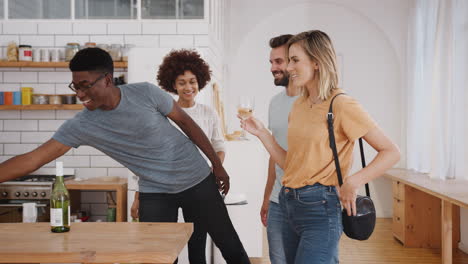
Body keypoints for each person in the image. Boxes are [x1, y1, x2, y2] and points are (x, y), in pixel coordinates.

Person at [0, 48, 250, 264]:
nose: (80, 94)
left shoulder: (145, 94)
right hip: (155, 191)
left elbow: (187, 124)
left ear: (107, 80)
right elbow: (34, 158)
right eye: (76, 86)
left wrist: (217, 165)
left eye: (86, 85)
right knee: (155, 257)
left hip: (196, 180)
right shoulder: (82, 125)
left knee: (231, 248)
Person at [240, 30, 400, 264]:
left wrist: (353, 182)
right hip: (288, 203)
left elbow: (391, 151)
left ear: (316, 62)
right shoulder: (300, 106)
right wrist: (262, 133)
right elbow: (290, 164)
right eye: (289, 60)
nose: (289, 67)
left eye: (295, 60)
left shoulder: (341, 103)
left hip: (320, 208)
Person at [131, 49, 226, 264]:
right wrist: (138, 195)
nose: (188, 87)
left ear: (199, 82)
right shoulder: (161, 113)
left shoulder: (208, 113)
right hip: (164, 188)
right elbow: (148, 156)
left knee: (197, 243)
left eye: (192, 81)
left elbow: (219, 146)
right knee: (165, 246)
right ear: (172, 85)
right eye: (182, 82)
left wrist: (214, 170)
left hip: (198, 185)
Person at [261, 34, 300, 264]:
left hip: (308, 201)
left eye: (279, 62)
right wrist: (267, 197)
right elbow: (274, 155)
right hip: (278, 201)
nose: (273, 68)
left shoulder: (314, 103)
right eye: (271, 62)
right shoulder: (274, 103)